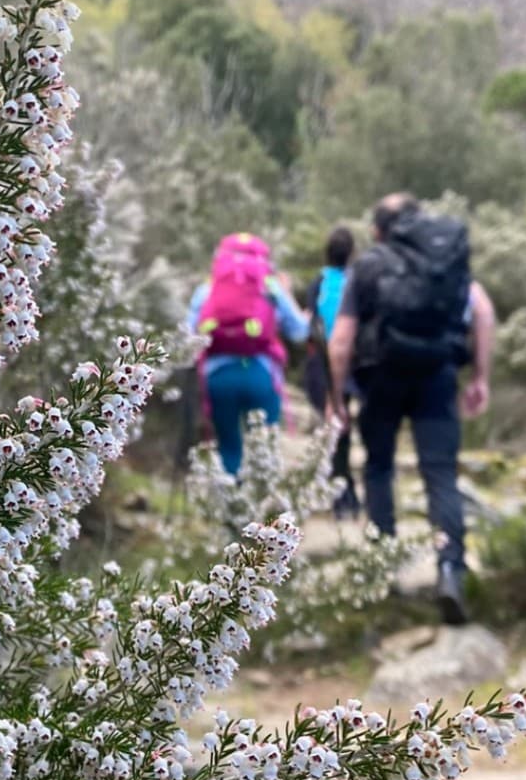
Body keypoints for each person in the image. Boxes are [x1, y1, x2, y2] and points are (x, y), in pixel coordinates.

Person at [327, 193, 495, 625]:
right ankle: (450, 571)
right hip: (437, 375)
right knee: (440, 472)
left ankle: (383, 568)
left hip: (381, 376)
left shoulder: (369, 265)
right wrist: (480, 377)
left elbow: (341, 339)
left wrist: (335, 398)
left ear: (379, 230)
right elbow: (484, 314)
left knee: (379, 467)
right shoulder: (448, 262)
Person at [187, 233, 309, 476]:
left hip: (218, 376)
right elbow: (299, 332)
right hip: (261, 373)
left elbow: (189, 337)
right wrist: (288, 295)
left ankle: (232, 508)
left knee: (230, 447)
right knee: (264, 449)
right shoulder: (270, 286)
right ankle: (263, 509)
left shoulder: (207, 288)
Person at [302, 226, 361, 519]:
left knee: (333, 425)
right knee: (341, 423)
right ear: (352, 253)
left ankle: (339, 489)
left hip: (322, 361)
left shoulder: (319, 282)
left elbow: (310, 324)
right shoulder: (356, 281)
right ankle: (344, 489)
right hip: (352, 360)